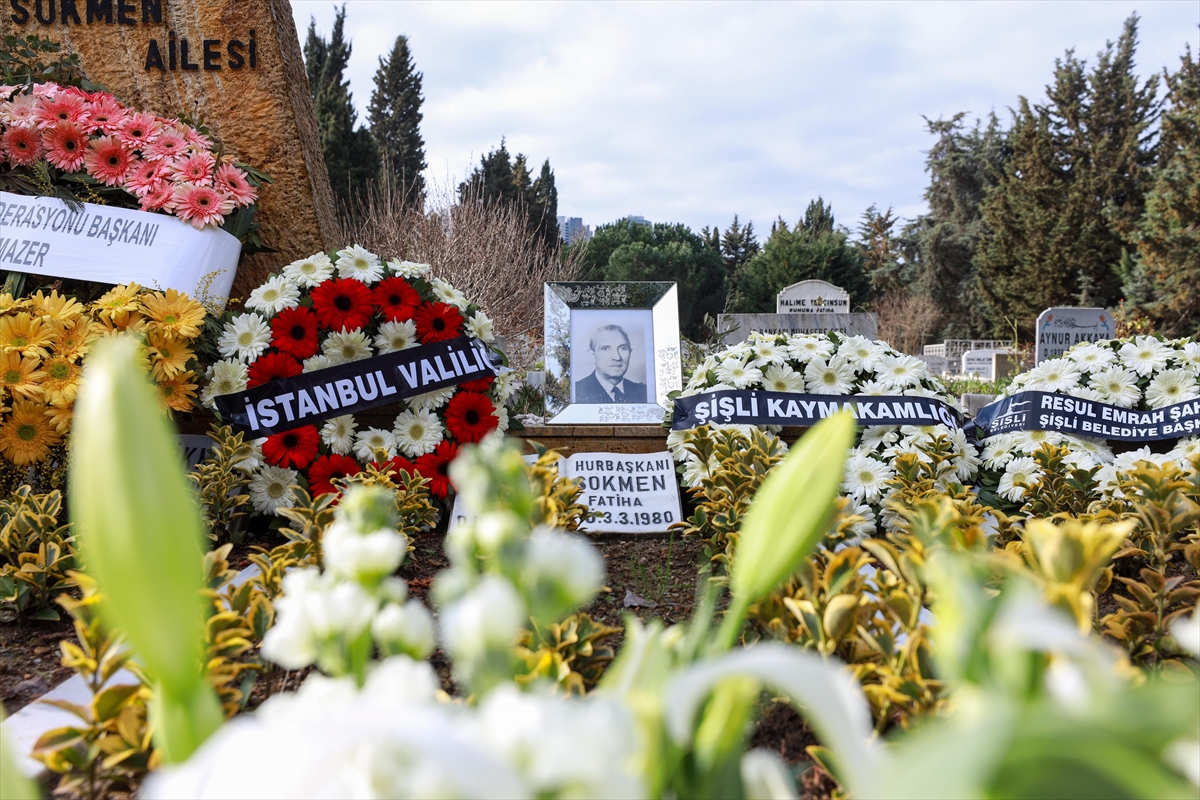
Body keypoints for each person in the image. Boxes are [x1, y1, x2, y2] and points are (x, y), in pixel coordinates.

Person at [574, 324, 647, 403]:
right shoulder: (577, 391)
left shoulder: (643, 392)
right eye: (606, 349)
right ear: (592, 355)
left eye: (623, 348)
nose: (617, 357)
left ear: (630, 352)